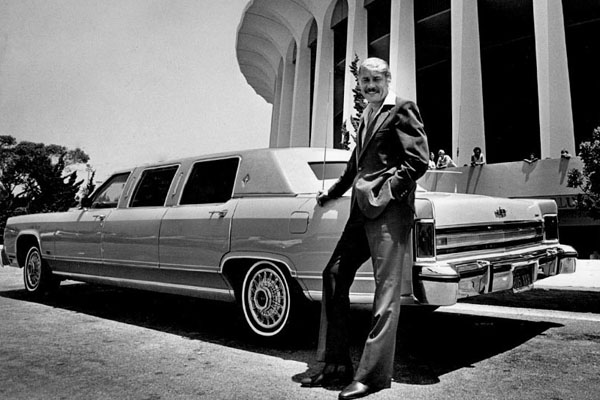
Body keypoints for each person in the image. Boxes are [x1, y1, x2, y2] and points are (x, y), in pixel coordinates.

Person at [300, 57, 429, 399]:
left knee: (385, 294)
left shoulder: (402, 108)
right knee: (333, 274)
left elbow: (418, 161)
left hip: (389, 214)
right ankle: (335, 365)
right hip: (360, 212)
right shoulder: (368, 113)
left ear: (388, 78)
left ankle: (371, 376)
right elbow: (355, 166)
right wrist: (330, 194)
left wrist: (385, 192)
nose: (370, 86)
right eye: (365, 81)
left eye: (376, 79)